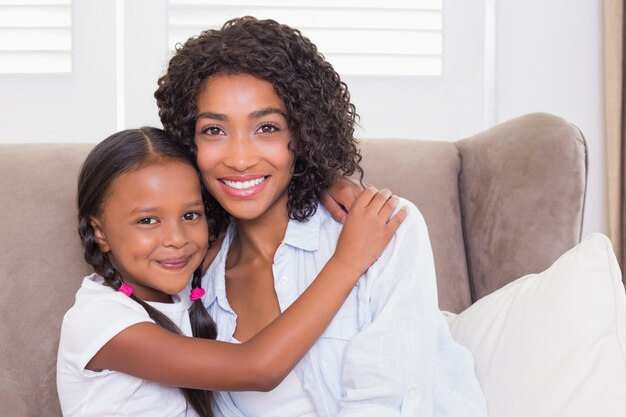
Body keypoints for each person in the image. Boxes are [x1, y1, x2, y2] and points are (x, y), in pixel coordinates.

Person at [154, 16, 488, 417]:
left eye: (267, 128)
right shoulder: (191, 273)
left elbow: (391, 404)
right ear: (187, 143)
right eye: (213, 131)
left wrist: (323, 179)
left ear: (304, 133)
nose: (239, 159)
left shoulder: (382, 227)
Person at [56, 127, 406, 417]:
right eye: (148, 220)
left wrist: (322, 181)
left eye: (190, 215)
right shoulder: (99, 320)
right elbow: (256, 368)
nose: (177, 239)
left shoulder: (186, 280)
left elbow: (247, 189)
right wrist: (348, 261)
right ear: (99, 232)